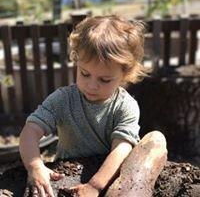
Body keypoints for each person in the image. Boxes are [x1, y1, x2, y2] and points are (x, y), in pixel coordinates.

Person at [19, 15, 167, 197]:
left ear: (125, 74)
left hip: (108, 177)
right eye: (84, 74)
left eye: (104, 80)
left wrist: (96, 186)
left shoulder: (125, 106)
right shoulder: (62, 99)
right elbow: (30, 130)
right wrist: (35, 166)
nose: (92, 85)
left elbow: (121, 149)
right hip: (67, 172)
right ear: (76, 61)